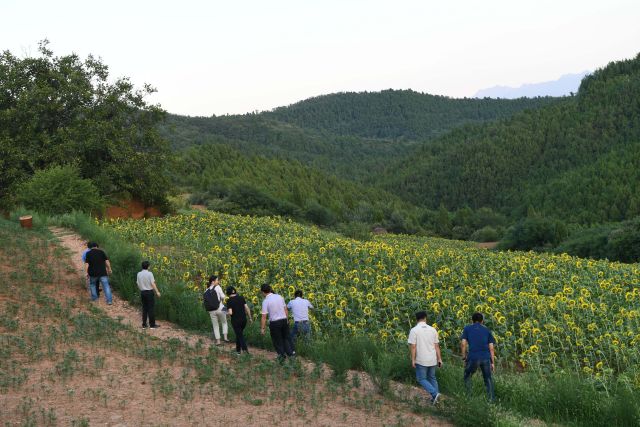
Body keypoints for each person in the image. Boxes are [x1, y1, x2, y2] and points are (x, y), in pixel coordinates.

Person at [408, 311, 442, 405]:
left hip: (421, 359)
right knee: (432, 377)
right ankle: (436, 399)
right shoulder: (433, 329)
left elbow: (413, 346)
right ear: (425, 318)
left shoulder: (414, 330)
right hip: (432, 358)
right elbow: (437, 346)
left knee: (421, 379)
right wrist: (439, 359)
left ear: (416, 319)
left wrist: (413, 359)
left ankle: (435, 394)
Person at [461, 312, 496, 401]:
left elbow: (463, 344)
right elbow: (491, 348)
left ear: (472, 320)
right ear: (482, 321)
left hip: (473, 357)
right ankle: (491, 400)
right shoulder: (487, 330)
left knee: (467, 375)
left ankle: (469, 397)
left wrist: (464, 357)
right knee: (488, 378)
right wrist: (492, 362)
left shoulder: (467, 328)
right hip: (485, 357)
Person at [260, 283, 294, 362]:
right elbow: (285, 309)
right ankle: (291, 355)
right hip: (284, 320)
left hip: (275, 323)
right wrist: (287, 320)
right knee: (285, 338)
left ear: (263, 292)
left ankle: (281, 357)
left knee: (277, 341)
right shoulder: (279, 297)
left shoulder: (266, 301)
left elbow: (264, 317)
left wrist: (262, 328)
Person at [225, 285, 253, 354]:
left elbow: (230, 313)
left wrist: (226, 313)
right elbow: (247, 308)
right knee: (239, 334)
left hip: (236, 321)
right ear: (234, 291)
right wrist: (250, 318)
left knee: (240, 336)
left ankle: (245, 351)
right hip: (244, 320)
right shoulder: (241, 298)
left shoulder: (229, 301)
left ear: (228, 293)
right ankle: (238, 351)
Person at [136, 260, 161, 329]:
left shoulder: (138, 274)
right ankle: (152, 325)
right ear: (148, 267)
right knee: (151, 308)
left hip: (142, 292)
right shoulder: (150, 274)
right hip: (149, 292)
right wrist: (157, 292)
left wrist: (141, 289)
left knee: (144, 308)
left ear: (142, 266)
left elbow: (138, 283)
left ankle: (144, 325)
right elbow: (153, 283)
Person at [204, 275, 228, 345]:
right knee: (224, 322)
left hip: (211, 310)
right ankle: (225, 338)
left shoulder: (206, 290)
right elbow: (223, 297)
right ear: (213, 282)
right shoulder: (218, 287)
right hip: (220, 308)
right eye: (217, 280)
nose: (218, 281)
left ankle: (218, 341)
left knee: (215, 325)